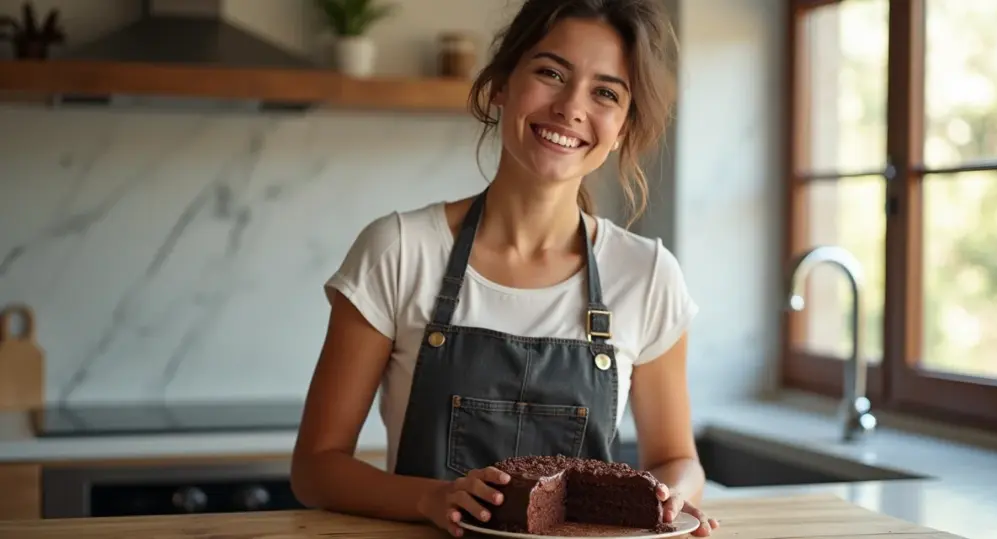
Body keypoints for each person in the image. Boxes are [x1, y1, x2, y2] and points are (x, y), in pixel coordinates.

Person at [290, 0, 720, 537]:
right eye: (550, 73)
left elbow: (678, 459)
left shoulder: (647, 274)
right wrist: (432, 499)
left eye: (605, 92)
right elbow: (316, 468)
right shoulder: (399, 250)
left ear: (623, 126)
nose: (570, 107)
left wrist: (668, 497)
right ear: (500, 84)